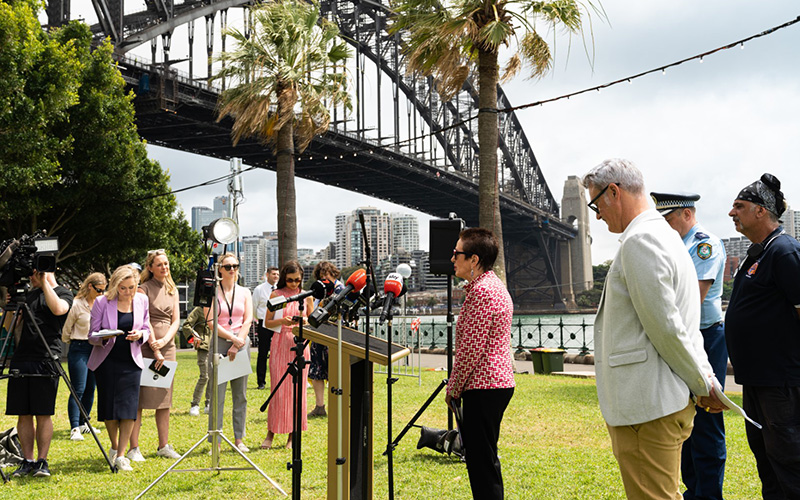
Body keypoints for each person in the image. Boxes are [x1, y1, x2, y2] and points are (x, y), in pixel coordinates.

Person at [582, 158, 726, 499]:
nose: (597, 215)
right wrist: (703, 377)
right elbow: (684, 324)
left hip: (645, 407)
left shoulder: (641, 241)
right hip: (659, 402)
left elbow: (667, 327)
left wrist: (702, 382)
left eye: (596, 204)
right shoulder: (666, 236)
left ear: (614, 192)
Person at [725, 173, 800, 499]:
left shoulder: (784, 252)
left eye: (739, 206)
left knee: (790, 462)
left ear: (761, 211)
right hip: (757, 381)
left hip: (781, 382)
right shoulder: (759, 253)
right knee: (768, 462)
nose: (731, 213)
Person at [651, 191, 728, 500]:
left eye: (668, 219)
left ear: (686, 214)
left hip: (705, 338)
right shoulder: (675, 245)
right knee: (683, 416)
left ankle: (708, 495)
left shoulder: (704, 245)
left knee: (708, 418)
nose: (665, 226)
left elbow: (689, 302)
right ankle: (692, 489)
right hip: (683, 338)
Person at [444, 228, 515, 500]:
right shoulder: (492, 286)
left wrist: (453, 389)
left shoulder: (482, 293)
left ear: (474, 259)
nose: (452, 259)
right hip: (495, 383)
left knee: (480, 461)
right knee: (484, 457)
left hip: (484, 385)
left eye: (456, 253)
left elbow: (470, 350)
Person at [6, 269, 72, 478]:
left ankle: (42, 461)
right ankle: (28, 460)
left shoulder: (63, 292)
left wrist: (44, 283)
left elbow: (59, 309)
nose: (31, 277)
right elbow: (9, 327)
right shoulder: (27, 294)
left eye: (34, 272)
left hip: (46, 358)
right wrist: (10, 306)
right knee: (23, 413)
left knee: (43, 413)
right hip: (22, 358)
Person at [87, 265, 151, 472]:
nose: (128, 292)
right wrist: (106, 335)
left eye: (132, 287)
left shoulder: (142, 300)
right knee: (110, 409)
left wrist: (140, 335)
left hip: (131, 361)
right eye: (123, 288)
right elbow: (92, 335)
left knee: (129, 409)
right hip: (107, 361)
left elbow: (147, 328)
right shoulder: (101, 302)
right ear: (115, 286)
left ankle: (122, 454)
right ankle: (114, 446)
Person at [128, 249, 181, 461]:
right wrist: (155, 346)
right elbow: (144, 319)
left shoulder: (173, 289)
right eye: (159, 264)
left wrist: (166, 341)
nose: (164, 268)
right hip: (146, 347)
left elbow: (176, 319)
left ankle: (163, 445)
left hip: (167, 346)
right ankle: (134, 447)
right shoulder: (143, 289)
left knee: (164, 399)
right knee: (140, 399)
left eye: (166, 264)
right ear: (150, 267)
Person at [260, 261, 313, 450]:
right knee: (278, 390)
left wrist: (305, 320)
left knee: (298, 393)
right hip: (280, 344)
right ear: (284, 278)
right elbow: (267, 322)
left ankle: (293, 435)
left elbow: (313, 323)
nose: (294, 284)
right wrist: (283, 320)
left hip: (300, 345)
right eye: (290, 280)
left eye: (297, 280)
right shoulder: (276, 295)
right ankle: (271, 433)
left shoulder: (306, 296)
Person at [204, 252, 253, 453]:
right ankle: (215, 438)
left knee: (240, 394)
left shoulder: (245, 292)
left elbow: (248, 319)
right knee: (218, 394)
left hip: (241, 342)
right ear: (219, 270)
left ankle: (239, 438)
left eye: (235, 266)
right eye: (228, 266)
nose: (232, 270)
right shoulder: (212, 292)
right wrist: (232, 339)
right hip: (221, 342)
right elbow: (210, 321)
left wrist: (239, 341)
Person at [61, 272, 107, 441]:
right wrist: (70, 342)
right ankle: (74, 427)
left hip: (95, 348)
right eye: (98, 290)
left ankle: (84, 422)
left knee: (90, 388)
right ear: (90, 286)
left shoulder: (102, 303)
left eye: (103, 290)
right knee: (78, 388)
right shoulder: (77, 304)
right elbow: (66, 329)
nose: (101, 293)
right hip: (79, 347)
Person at [308, 261, 342, 418]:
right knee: (317, 371)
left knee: (336, 371)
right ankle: (320, 406)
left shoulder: (341, 290)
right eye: (321, 277)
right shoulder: (319, 291)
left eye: (326, 276)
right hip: (319, 334)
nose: (324, 280)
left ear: (333, 274)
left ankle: (337, 405)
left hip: (336, 335)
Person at [181, 306, 212, 416]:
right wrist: (195, 336)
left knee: (213, 376)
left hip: (217, 347)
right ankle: (195, 404)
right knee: (205, 376)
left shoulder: (219, 308)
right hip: (204, 346)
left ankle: (209, 404)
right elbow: (186, 325)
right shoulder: (199, 309)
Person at [252, 266, 279, 390]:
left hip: (278, 323)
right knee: (262, 353)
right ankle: (261, 382)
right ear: (267, 275)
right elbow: (254, 307)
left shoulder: (280, 289)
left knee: (278, 353)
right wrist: (260, 319)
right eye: (273, 274)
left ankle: (277, 380)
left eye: (277, 274)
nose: (275, 276)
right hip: (263, 323)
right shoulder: (259, 289)